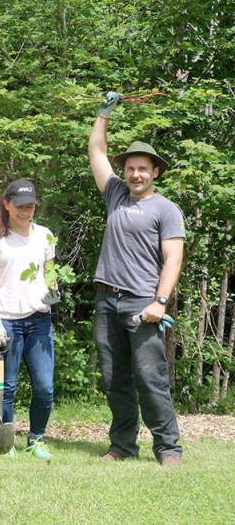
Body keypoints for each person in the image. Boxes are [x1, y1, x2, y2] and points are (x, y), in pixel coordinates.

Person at [88, 93, 184, 466]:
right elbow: (97, 151)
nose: (136, 174)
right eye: (130, 168)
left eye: (143, 169)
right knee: (115, 380)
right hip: (105, 300)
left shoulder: (165, 209)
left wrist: (159, 302)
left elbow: (173, 258)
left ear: (155, 172)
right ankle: (123, 446)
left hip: (141, 302)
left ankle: (169, 448)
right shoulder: (115, 195)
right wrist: (103, 114)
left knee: (150, 378)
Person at [0, 178, 58, 461]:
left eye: (31, 206)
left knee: (44, 386)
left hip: (39, 319)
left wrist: (54, 294)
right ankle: (7, 441)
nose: (27, 212)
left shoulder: (45, 236)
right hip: (8, 321)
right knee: (7, 386)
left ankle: (36, 439)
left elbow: (51, 276)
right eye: (21, 206)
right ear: (7, 204)